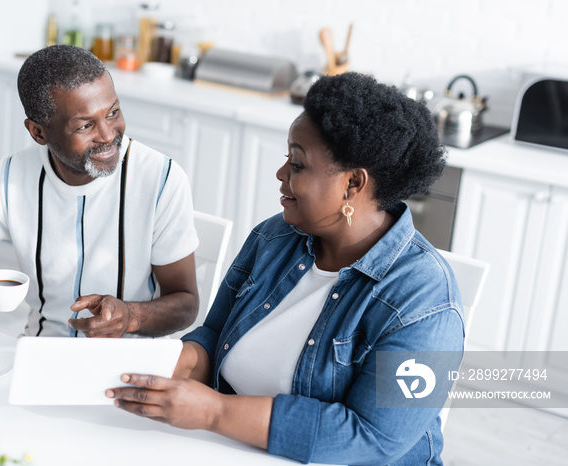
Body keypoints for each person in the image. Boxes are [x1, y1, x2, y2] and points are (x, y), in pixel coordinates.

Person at [106, 72, 465, 464]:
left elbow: (371, 439)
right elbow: (215, 333)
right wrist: (174, 364)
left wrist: (215, 412)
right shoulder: (274, 238)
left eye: (297, 164)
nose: (281, 175)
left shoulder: (426, 301)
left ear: (352, 185)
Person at [0, 45, 199, 338]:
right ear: (38, 132)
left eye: (113, 112)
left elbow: (186, 305)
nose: (108, 135)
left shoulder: (162, 179)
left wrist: (131, 316)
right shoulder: (6, 178)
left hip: (131, 363)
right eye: (85, 126)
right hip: (40, 353)